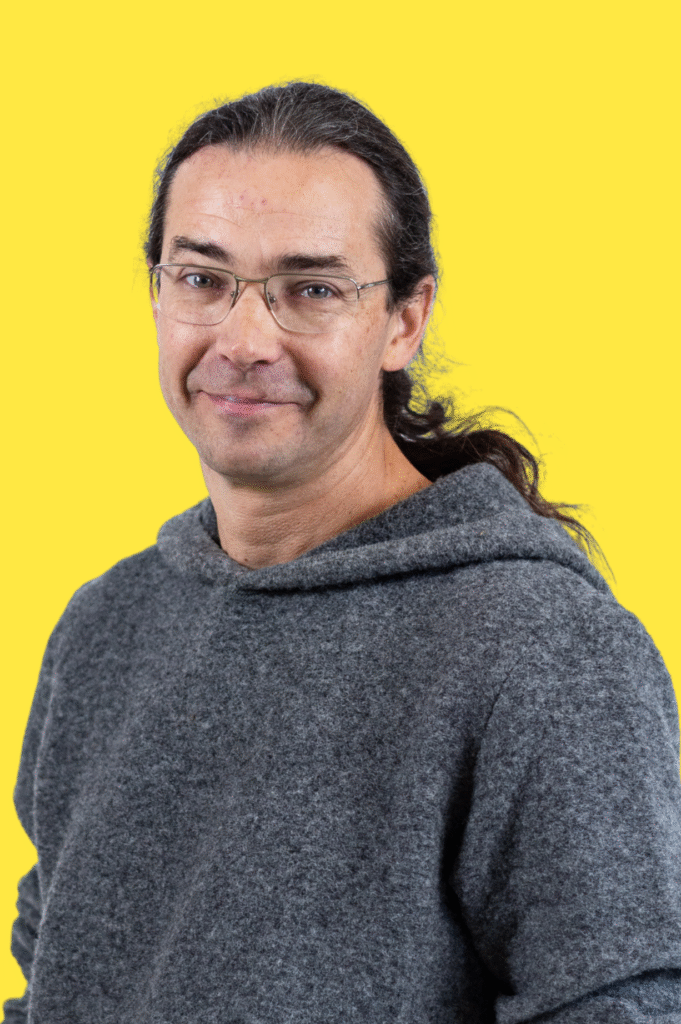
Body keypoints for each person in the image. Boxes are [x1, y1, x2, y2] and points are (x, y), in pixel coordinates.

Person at [4, 81, 681, 1024]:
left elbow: (624, 1003)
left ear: (404, 319)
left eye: (310, 290)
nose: (244, 339)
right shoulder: (106, 626)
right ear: (156, 291)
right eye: (201, 279)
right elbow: (53, 980)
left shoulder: (540, 647)